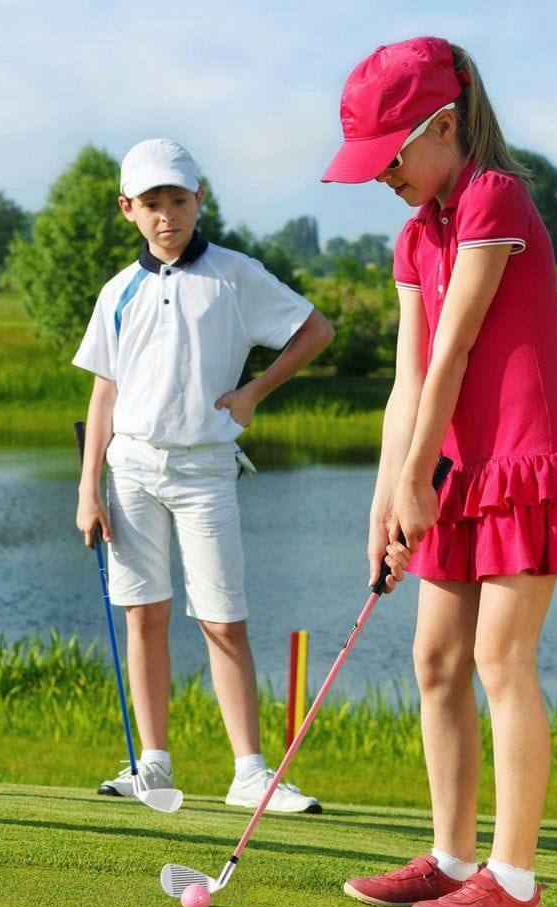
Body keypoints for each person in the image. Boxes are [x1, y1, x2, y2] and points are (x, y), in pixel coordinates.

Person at [322, 38, 557, 907]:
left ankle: (514, 883)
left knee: (499, 660)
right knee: (435, 660)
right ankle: (450, 860)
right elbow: (409, 381)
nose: (383, 178)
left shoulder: (494, 197)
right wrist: (385, 502)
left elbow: (457, 349)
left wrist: (417, 481)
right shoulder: (416, 235)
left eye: (392, 157)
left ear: (443, 126)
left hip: (523, 464)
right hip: (449, 475)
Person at [74, 138, 334, 813]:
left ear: (200, 200)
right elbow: (104, 393)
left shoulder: (235, 274)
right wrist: (86, 490)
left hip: (205, 470)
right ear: (127, 209)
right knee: (145, 616)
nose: (167, 215)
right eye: (152, 204)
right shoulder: (118, 291)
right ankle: (153, 766)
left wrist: (253, 392)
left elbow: (315, 330)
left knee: (223, 619)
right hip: (129, 468)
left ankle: (250, 773)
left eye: (179, 201)